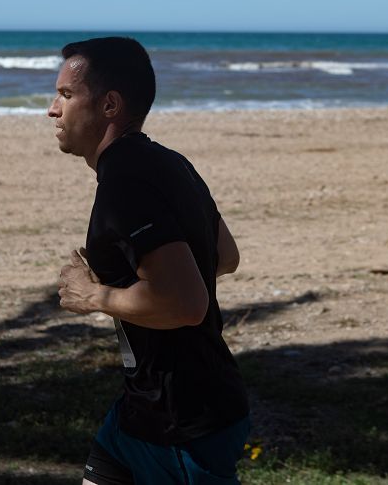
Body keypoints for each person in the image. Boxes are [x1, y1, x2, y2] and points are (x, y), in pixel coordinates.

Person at [50, 37, 250, 485]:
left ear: (109, 105)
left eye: (65, 95)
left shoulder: (125, 185)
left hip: (181, 421)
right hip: (142, 408)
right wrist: (129, 281)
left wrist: (95, 295)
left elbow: (184, 305)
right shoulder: (169, 162)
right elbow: (224, 256)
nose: (52, 109)